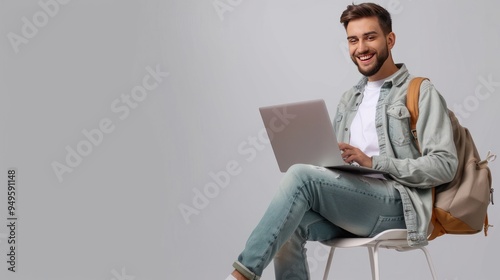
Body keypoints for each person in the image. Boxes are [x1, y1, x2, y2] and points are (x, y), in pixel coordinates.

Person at [225, 2, 458, 279]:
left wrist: (374, 162)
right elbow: (337, 164)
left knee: (300, 176)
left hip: (399, 205)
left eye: (370, 37)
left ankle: (241, 275)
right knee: (286, 223)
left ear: (390, 39)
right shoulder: (350, 99)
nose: (361, 48)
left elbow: (444, 165)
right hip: (355, 203)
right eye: (353, 40)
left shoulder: (420, 91)